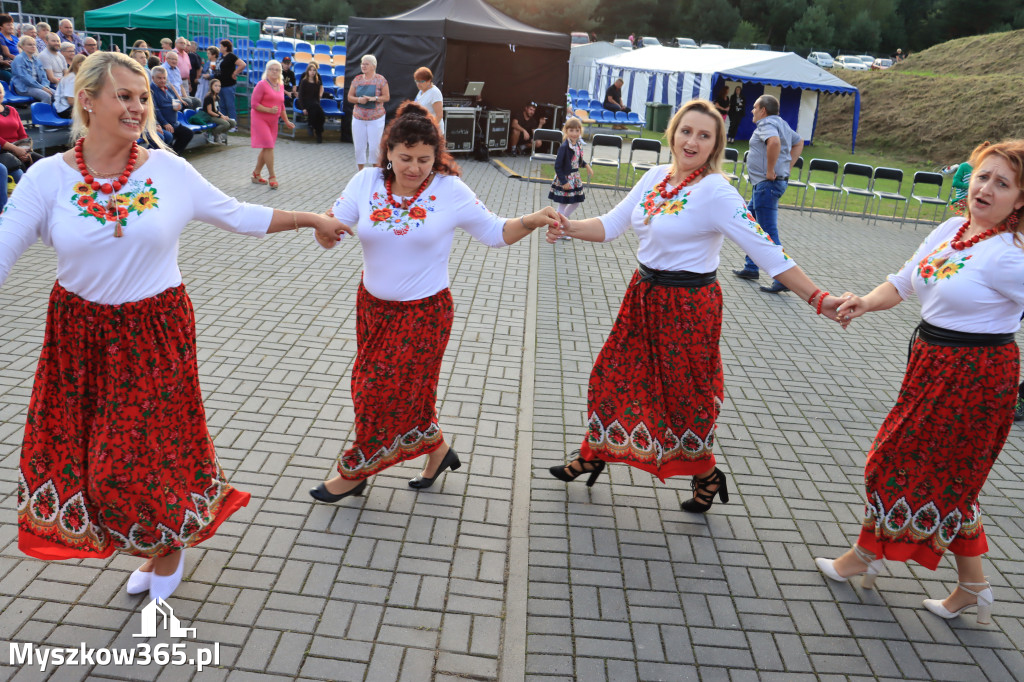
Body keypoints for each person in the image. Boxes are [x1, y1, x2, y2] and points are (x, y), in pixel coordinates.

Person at [0, 50, 349, 603]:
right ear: (86, 101)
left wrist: (309, 218)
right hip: (78, 338)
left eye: (142, 97)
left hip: (153, 332)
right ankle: (157, 540)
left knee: (130, 460)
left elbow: (238, 215)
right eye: (124, 96)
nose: (138, 108)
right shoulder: (46, 179)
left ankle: (166, 548)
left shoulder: (167, 169)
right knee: (89, 462)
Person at [545, 99, 842, 512]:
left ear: (715, 144)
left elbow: (767, 250)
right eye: (686, 131)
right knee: (610, 378)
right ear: (672, 133)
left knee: (684, 399)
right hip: (643, 298)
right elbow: (612, 226)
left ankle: (705, 474)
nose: (692, 141)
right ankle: (593, 453)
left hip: (689, 308)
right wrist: (567, 226)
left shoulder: (717, 192)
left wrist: (819, 298)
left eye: (704, 135)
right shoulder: (653, 177)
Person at [816, 139, 1024, 625]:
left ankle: (863, 557)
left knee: (891, 460)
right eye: (982, 176)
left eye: (1003, 183)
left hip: (977, 378)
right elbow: (906, 280)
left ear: (1020, 200)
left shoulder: (1012, 255)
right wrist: (865, 302)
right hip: (931, 365)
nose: (986, 188)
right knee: (950, 480)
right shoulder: (953, 229)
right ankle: (972, 585)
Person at [309, 102, 560, 503]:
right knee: (404, 393)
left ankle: (355, 471)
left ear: (436, 156)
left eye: (424, 159)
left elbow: (495, 232)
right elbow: (333, 221)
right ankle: (439, 452)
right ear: (388, 151)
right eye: (405, 158)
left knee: (376, 390)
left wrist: (530, 220)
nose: (414, 167)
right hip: (372, 308)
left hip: (424, 313)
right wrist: (325, 231)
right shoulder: (367, 182)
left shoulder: (450, 191)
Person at [732, 94, 803, 293]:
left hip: (767, 185)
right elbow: (799, 142)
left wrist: (772, 169)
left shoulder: (766, 124)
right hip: (766, 186)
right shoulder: (781, 123)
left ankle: (784, 279)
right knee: (750, 223)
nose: (752, 111)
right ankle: (751, 267)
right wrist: (786, 166)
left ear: (763, 110)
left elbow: (773, 143)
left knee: (768, 233)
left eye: (754, 107)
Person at [250, 60, 294, 189]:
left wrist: (286, 121)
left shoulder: (280, 85)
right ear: (267, 71)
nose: (274, 71)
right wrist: (268, 110)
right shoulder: (261, 85)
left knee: (266, 147)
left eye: (277, 69)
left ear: (281, 72)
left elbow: (282, 105)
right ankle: (272, 176)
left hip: (273, 121)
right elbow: (254, 104)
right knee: (269, 146)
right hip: (260, 119)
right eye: (272, 69)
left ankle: (256, 173)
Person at [0, 82, 40, 211]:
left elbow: (22, 133)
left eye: (0, 92)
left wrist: (25, 150)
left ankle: (46, 201)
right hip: (3, 151)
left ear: (3, 94)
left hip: (19, 148)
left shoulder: (12, 110)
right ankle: (15, 208)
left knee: (42, 162)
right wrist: (15, 150)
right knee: (18, 171)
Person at [348, 54, 389, 171]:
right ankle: (360, 172)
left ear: (373, 66)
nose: (363, 66)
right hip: (358, 118)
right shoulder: (357, 79)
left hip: (376, 119)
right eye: (362, 63)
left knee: (374, 148)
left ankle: (375, 172)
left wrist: (374, 98)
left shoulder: (381, 80)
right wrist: (358, 100)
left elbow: (386, 97)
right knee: (359, 147)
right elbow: (350, 97)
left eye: (366, 64)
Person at [549, 116, 592, 225]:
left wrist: (586, 166)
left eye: (577, 130)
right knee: (563, 204)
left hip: (575, 178)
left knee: (576, 202)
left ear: (580, 131)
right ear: (566, 131)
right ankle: (559, 227)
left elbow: (577, 161)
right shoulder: (564, 147)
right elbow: (558, 166)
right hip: (566, 178)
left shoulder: (577, 145)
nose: (574, 133)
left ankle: (561, 221)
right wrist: (564, 182)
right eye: (571, 130)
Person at [150, 65, 193, 154]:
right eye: (159, 78)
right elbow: (155, 109)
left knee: (187, 134)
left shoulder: (168, 88)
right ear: (153, 78)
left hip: (174, 123)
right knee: (168, 137)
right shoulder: (151, 90)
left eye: (164, 78)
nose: (162, 80)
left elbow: (176, 100)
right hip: (162, 124)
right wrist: (165, 123)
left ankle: (175, 155)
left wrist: (179, 106)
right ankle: (169, 155)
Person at [11, 36, 52, 103]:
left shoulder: (36, 59)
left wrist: (46, 86)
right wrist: (42, 88)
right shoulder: (19, 59)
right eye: (30, 44)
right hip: (24, 88)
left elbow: (44, 76)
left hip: (38, 86)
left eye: (34, 44)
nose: (33, 46)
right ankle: (42, 113)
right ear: (22, 46)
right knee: (46, 96)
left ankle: (55, 113)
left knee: (57, 94)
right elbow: (25, 78)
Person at [194, 78, 233, 144]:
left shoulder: (217, 97)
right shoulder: (209, 96)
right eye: (215, 86)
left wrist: (223, 116)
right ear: (211, 86)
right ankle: (210, 133)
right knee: (226, 124)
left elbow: (216, 110)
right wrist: (220, 117)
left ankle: (217, 134)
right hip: (208, 117)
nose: (218, 88)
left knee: (232, 122)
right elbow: (209, 112)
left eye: (219, 86)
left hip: (215, 116)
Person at [216, 39, 245, 130]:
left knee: (230, 105)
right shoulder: (221, 57)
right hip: (221, 84)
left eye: (221, 46)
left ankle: (233, 125)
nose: (220, 48)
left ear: (225, 47)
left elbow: (242, 64)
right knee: (222, 106)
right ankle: (225, 124)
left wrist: (235, 73)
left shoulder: (231, 56)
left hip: (229, 84)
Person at [296, 65, 325, 143]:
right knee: (315, 109)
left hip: (314, 103)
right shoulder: (304, 81)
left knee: (321, 114)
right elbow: (301, 96)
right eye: (310, 70)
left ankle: (312, 126)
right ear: (307, 71)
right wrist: (303, 108)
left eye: (314, 70)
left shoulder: (317, 82)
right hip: (305, 102)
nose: (312, 72)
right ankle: (318, 134)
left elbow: (317, 96)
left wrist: (318, 104)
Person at [413, 66, 443, 135]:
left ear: (429, 80)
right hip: (421, 130)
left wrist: (429, 129)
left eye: (421, 81)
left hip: (432, 132)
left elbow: (439, 115)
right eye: (416, 81)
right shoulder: (420, 91)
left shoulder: (435, 92)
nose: (418, 84)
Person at [53, 53, 84, 119]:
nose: (83, 68)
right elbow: (71, 101)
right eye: (81, 65)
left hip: (72, 107)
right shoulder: (71, 78)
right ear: (75, 65)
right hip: (65, 109)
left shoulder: (77, 76)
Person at [0, 14, 20, 83]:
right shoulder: (1, 37)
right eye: (8, 25)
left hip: (17, 62)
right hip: (9, 64)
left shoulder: (15, 38)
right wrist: (21, 60)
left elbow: (22, 50)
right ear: (1, 26)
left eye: (12, 24)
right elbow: (7, 54)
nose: (11, 27)